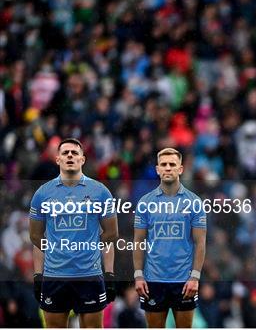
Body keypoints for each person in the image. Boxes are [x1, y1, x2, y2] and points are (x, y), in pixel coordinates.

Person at [29, 138, 118, 328]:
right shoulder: (42, 194)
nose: (70, 155)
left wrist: (109, 274)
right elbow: (37, 238)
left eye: (75, 153)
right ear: (57, 159)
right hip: (55, 276)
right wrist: (38, 275)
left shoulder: (100, 192)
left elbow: (110, 234)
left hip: (89, 275)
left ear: (83, 160)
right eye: (65, 153)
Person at [133, 148, 206, 328]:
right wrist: (138, 275)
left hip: (184, 281)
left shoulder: (194, 202)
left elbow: (200, 242)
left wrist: (195, 277)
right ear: (157, 169)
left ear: (180, 169)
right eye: (163, 165)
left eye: (172, 164)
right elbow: (138, 242)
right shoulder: (145, 203)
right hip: (153, 280)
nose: (167, 168)